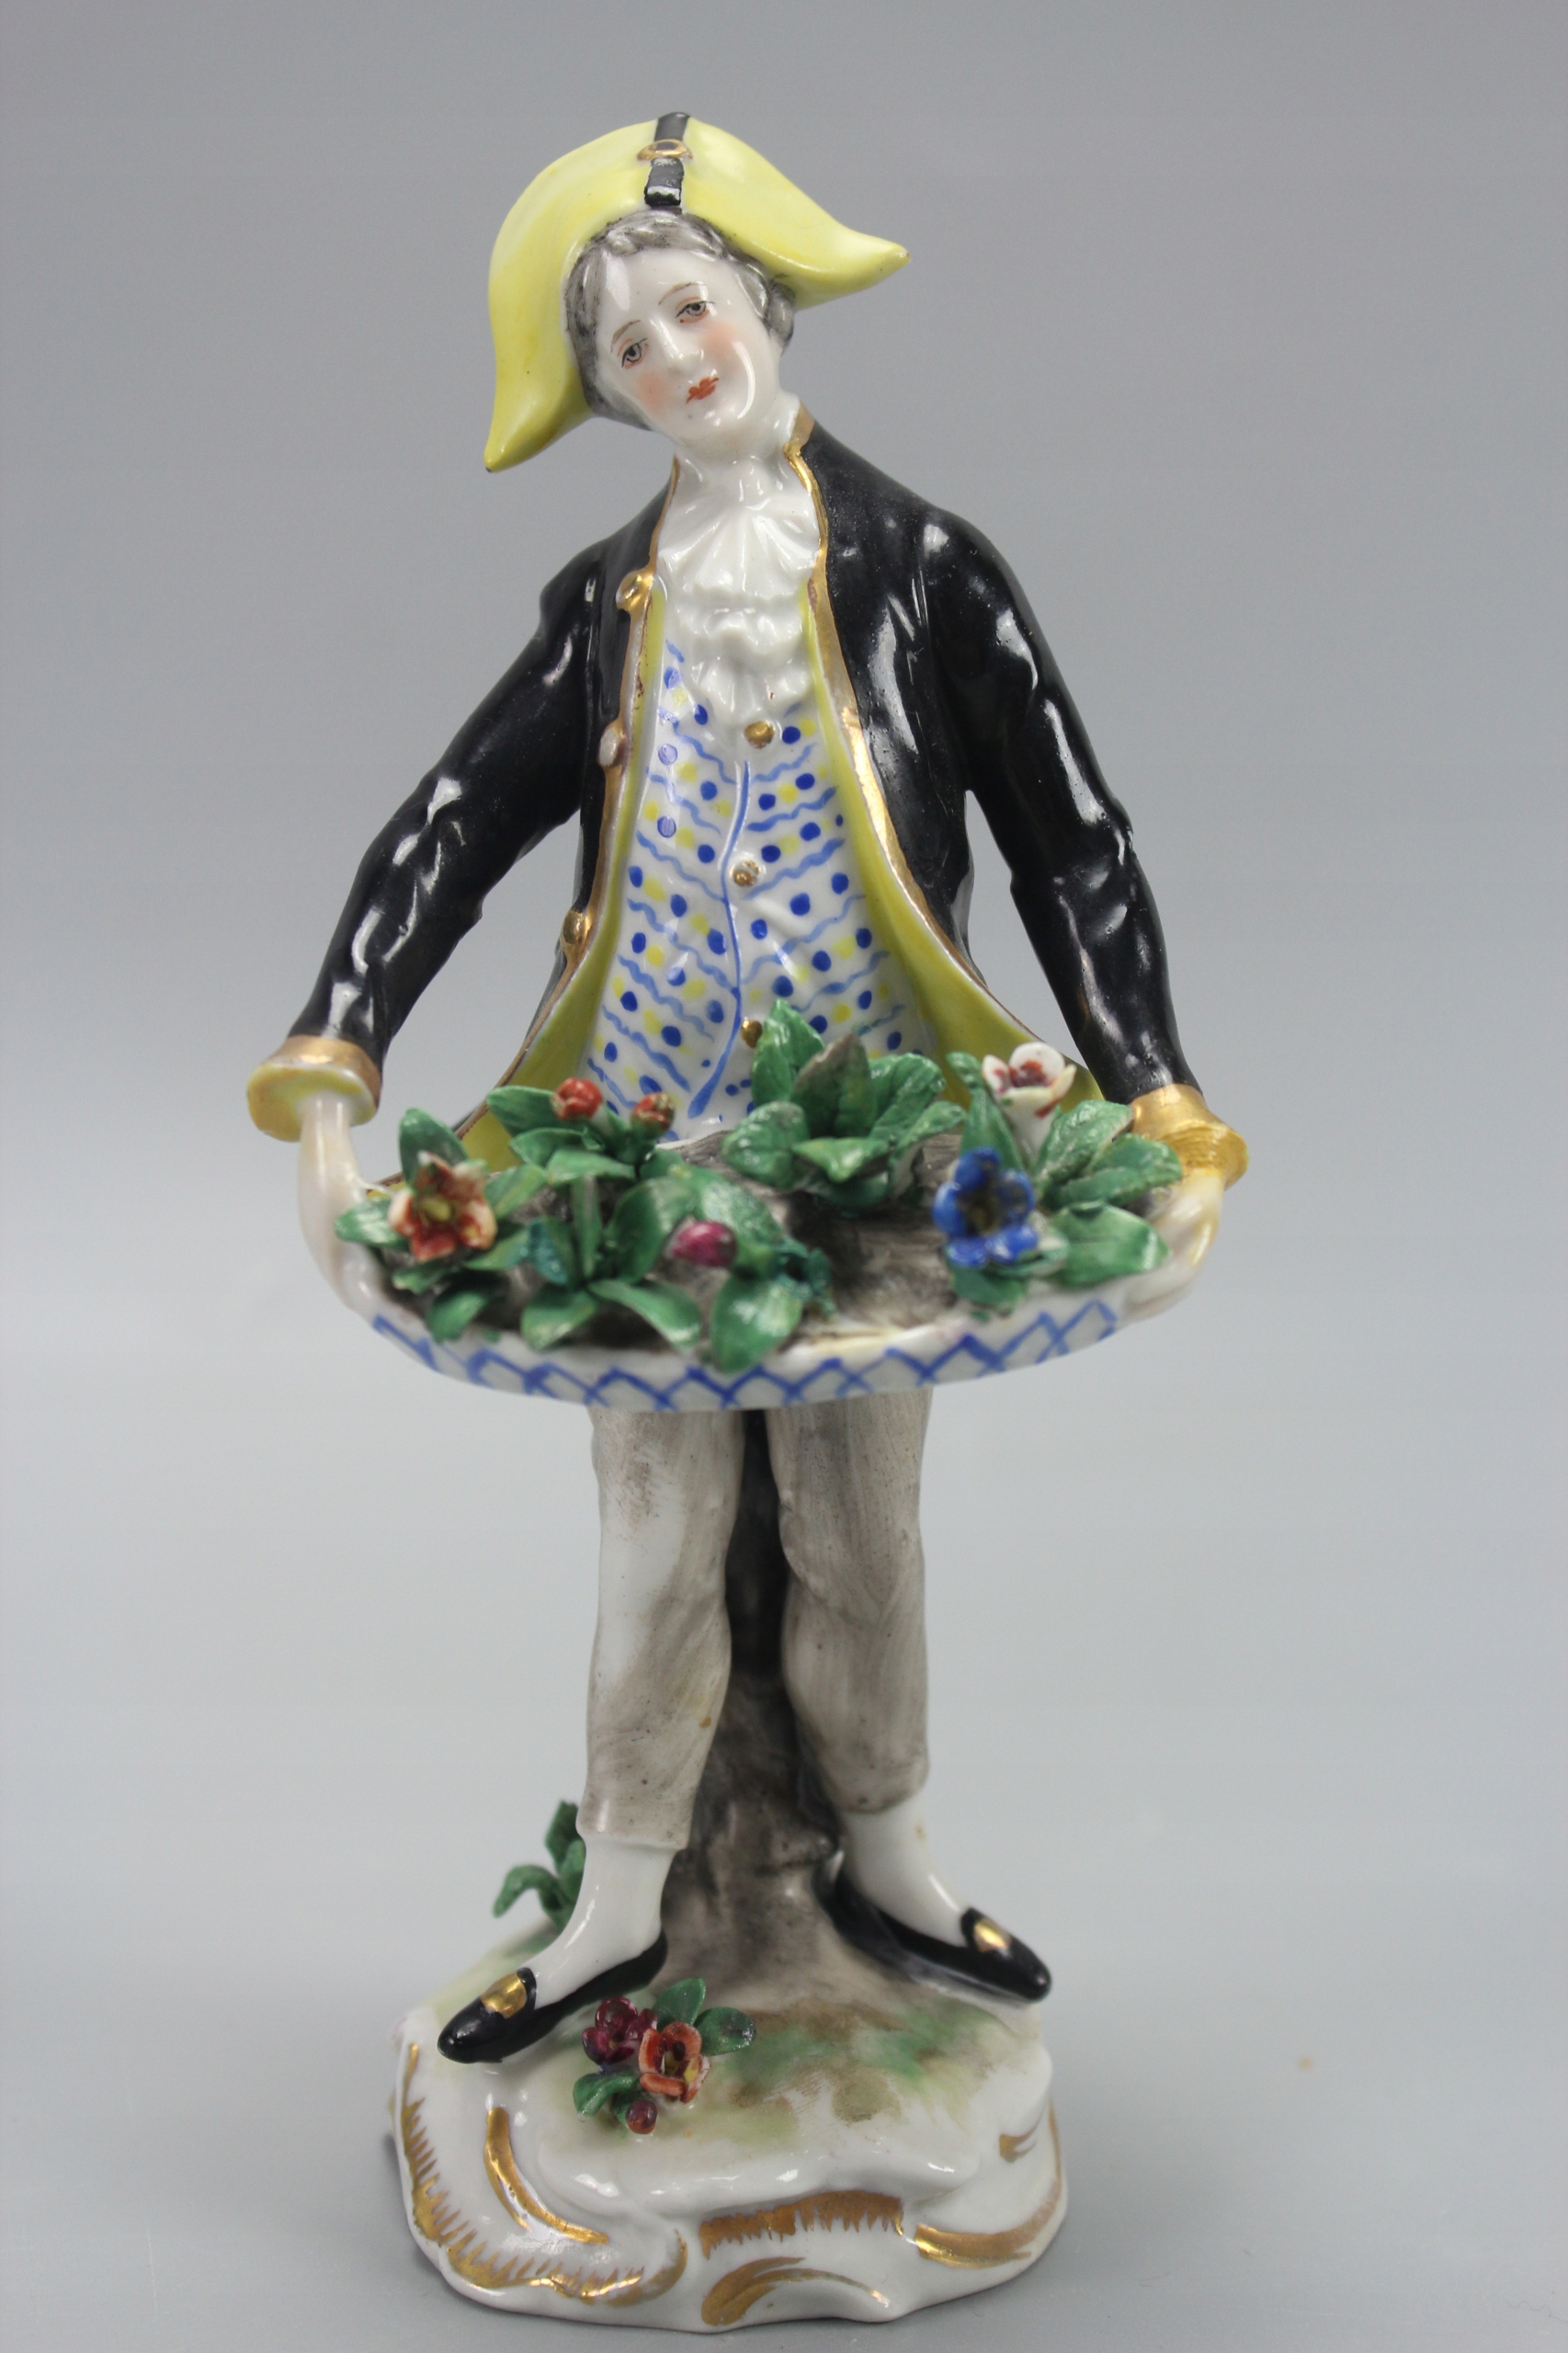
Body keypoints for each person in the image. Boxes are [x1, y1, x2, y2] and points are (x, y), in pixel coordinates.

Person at [246, 118, 1245, 2063]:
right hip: (645, 1151)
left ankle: (889, 1853)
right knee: (653, 1533)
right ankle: (624, 1896)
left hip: (877, 1157)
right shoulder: (604, 599)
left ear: (765, 306)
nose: (672, 359)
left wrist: (1158, 1090)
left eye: (690, 309)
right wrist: (335, 1048)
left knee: (859, 1532)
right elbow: (453, 820)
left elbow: (1074, 847)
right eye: (626, 347)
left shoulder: (925, 566)